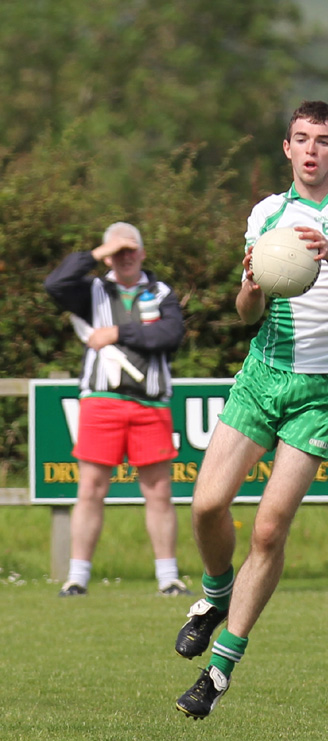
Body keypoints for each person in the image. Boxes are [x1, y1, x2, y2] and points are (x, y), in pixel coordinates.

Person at [174, 101, 328, 718]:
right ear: (286, 147)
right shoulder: (267, 214)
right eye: (301, 139)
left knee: (270, 527)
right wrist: (249, 285)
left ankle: (219, 670)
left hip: (325, 387)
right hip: (265, 373)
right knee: (206, 504)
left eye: (323, 141)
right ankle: (216, 592)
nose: (311, 150)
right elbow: (247, 311)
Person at [45, 221, 191, 597]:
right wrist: (94, 255)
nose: (124, 258)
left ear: (142, 253)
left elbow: (170, 334)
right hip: (101, 402)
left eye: (130, 250)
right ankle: (77, 578)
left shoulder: (161, 293)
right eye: (116, 252)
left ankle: (168, 578)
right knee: (91, 487)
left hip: (150, 402)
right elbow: (55, 285)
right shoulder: (92, 289)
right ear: (107, 256)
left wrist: (117, 333)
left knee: (158, 490)